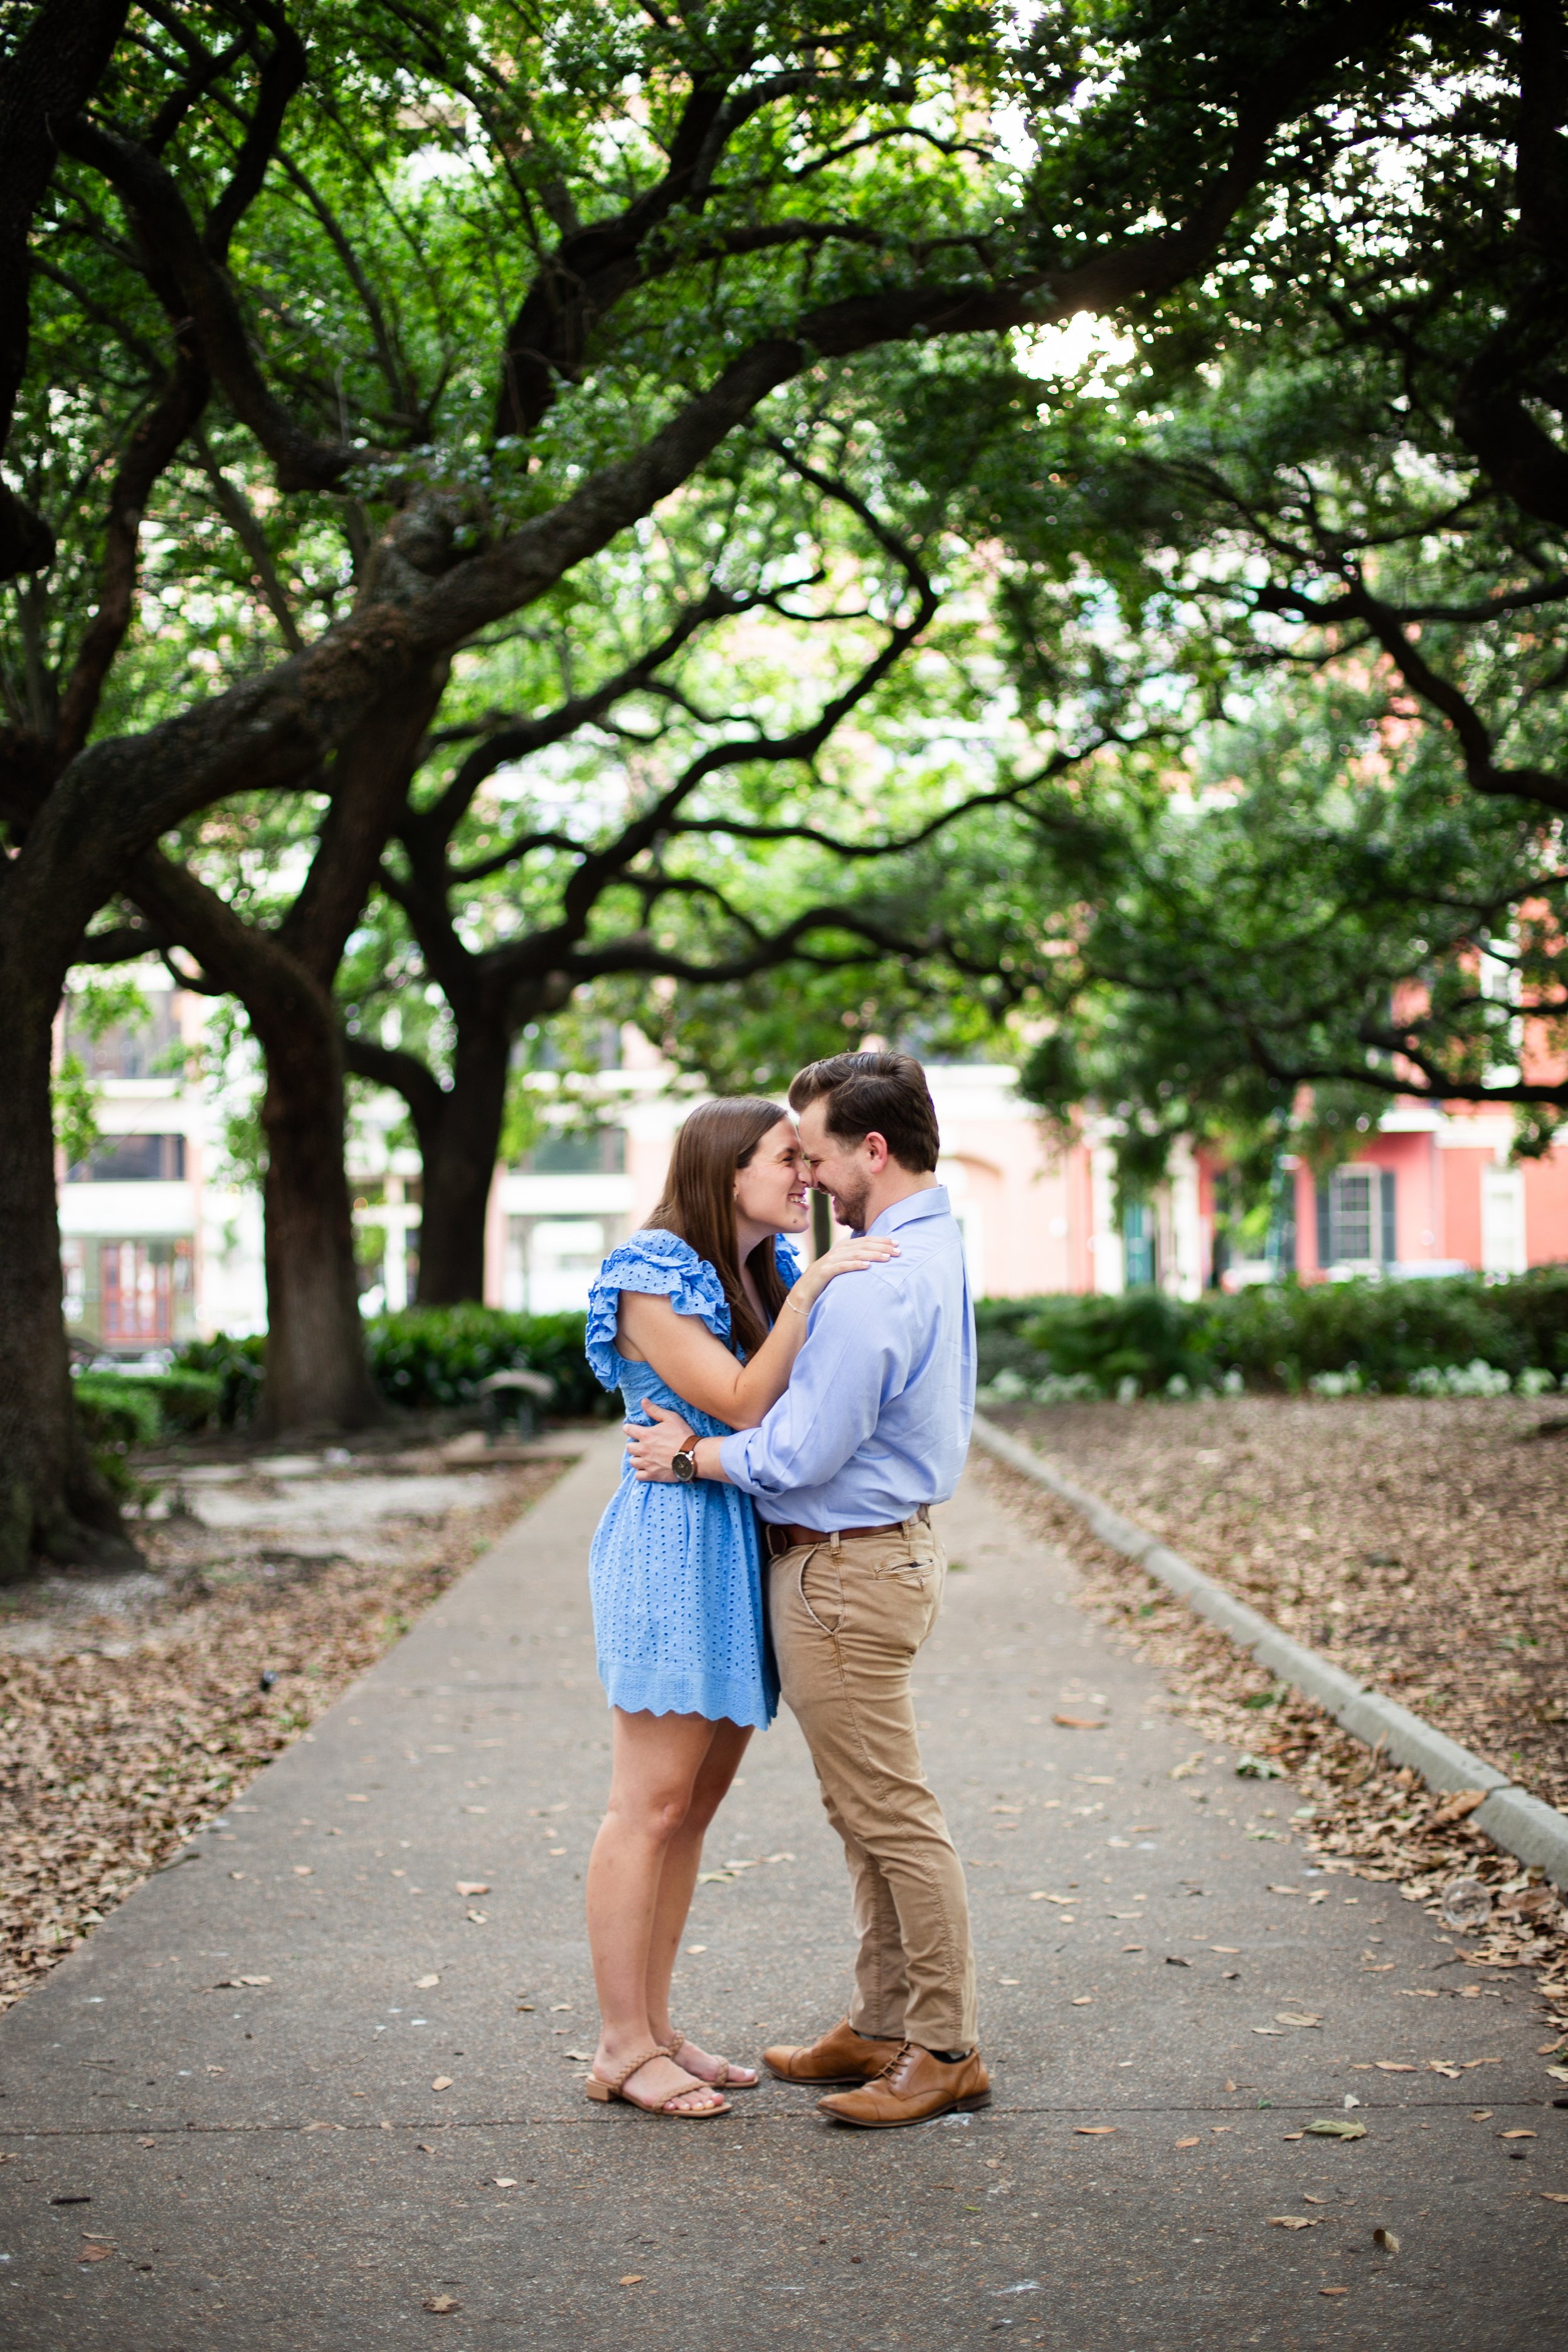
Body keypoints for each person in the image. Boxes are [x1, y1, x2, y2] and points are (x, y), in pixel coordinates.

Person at [627, 1051, 984, 2129]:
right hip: (873, 1560)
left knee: (892, 1815)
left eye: (817, 1153)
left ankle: (946, 2044)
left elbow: (797, 1452)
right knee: (864, 1811)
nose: (813, 1177)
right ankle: (881, 2022)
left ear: (872, 1150)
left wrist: (694, 1457)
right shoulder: (933, 1241)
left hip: (846, 1568)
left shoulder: (871, 1275)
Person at [581, 1096, 898, 2121]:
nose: (806, 1177)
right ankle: (620, 2045)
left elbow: (803, 1414)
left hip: (734, 1545)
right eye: (786, 1159)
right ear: (725, 1168)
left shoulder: (767, 1275)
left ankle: (658, 2026)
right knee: (649, 1806)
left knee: (695, 1809)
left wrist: (805, 1296)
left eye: (808, 1162)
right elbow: (746, 1399)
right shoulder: (653, 1270)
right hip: (673, 1544)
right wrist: (811, 1303)